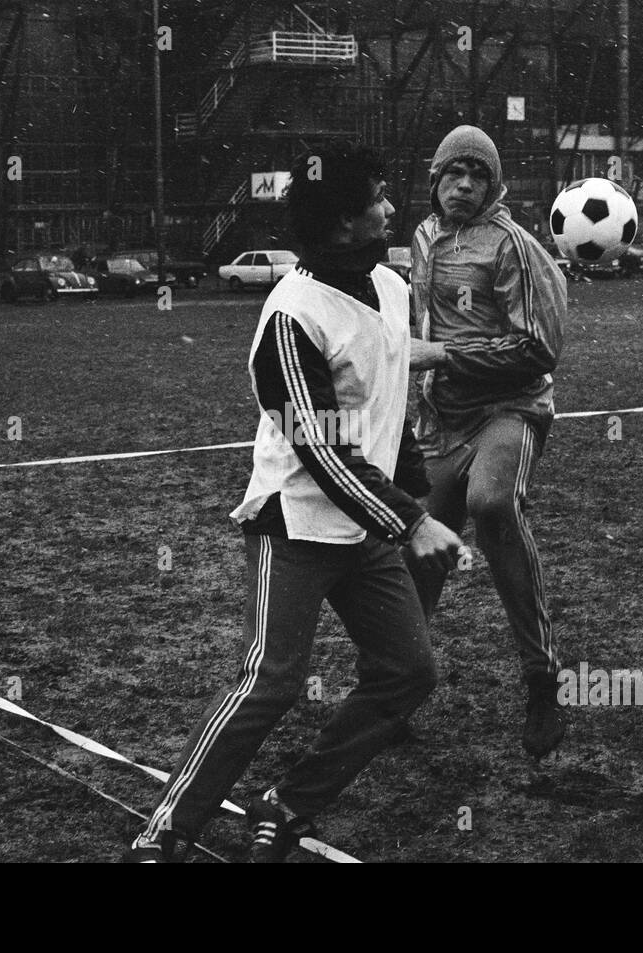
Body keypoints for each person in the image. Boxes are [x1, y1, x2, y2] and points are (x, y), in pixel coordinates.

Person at [124, 141, 464, 863]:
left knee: (409, 671)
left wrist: (414, 495)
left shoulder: (392, 288)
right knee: (270, 682)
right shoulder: (289, 318)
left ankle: (286, 804)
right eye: (378, 196)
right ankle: (163, 832)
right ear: (344, 223)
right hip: (298, 521)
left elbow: (389, 404)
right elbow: (321, 450)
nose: (391, 207)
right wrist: (412, 520)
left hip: (366, 525)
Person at [407, 124, 569, 759]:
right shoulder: (421, 239)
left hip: (510, 409)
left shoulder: (515, 248)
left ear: (494, 185)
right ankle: (394, 687)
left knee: (493, 505)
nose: (465, 186)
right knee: (417, 547)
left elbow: (537, 351)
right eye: (454, 174)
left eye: (478, 176)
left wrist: (442, 355)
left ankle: (541, 682)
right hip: (442, 423)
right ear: (436, 182)